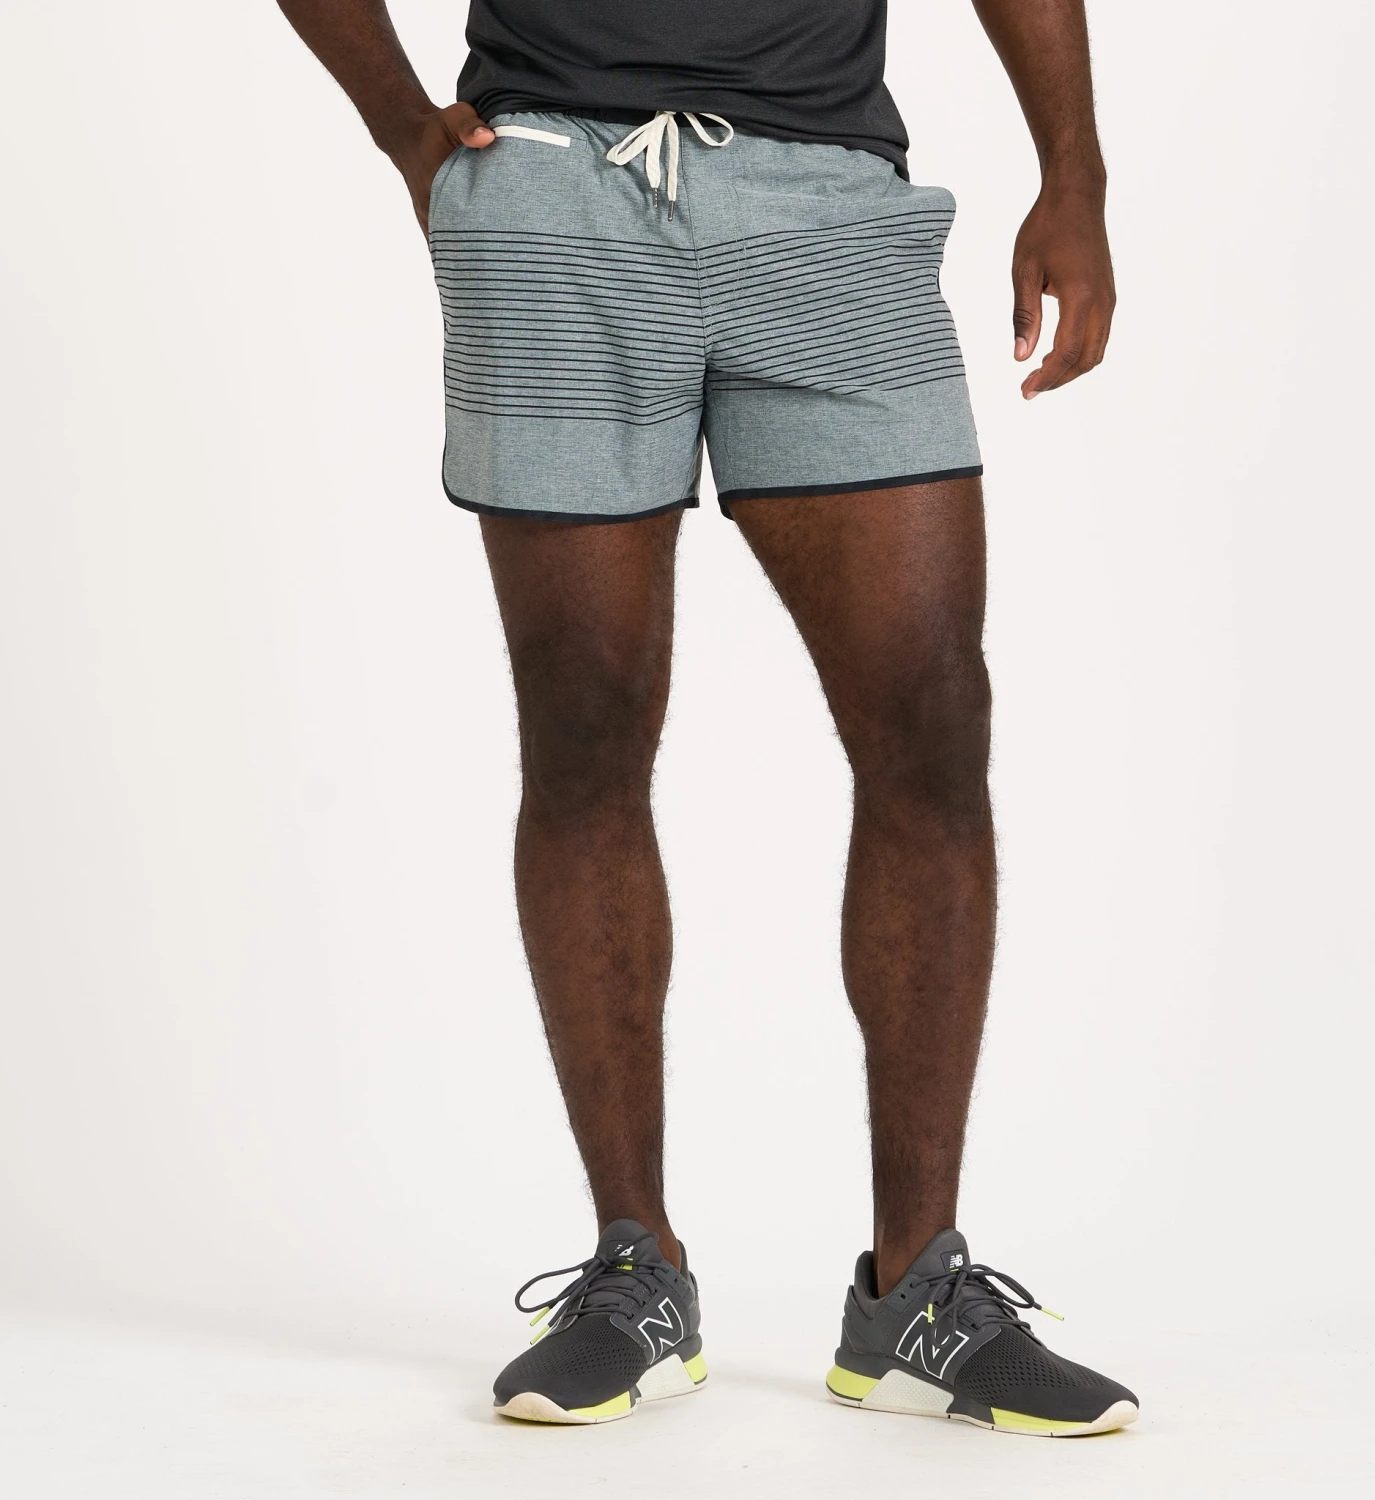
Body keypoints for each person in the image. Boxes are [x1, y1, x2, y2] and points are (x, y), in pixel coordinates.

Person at [276, 0, 1134, 1436]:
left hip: (828, 196)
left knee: (931, 719)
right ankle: (635, 1271)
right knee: (585, 726)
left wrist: (1075, 171)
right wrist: (400, 127)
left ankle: (917, 1291)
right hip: (552, 192)